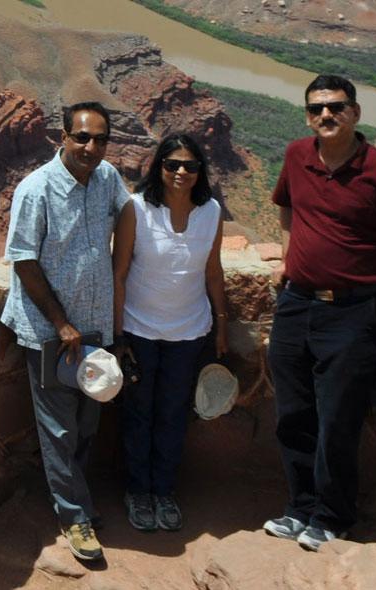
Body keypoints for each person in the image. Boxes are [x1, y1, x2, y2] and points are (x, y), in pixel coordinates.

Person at [263, 75, 376, 551]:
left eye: (335, 107)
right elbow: (287, 210)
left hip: (353, 313)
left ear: (355, 112)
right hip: (296, 304)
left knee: (337, 421)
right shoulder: (296, 156)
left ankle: (333, 516)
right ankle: (300, 507)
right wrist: (289, 260)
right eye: (316, 109)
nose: (325, 116)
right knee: (293, 414)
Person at [1, 101, 129, 562]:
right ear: (63, 136)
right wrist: (62, 322)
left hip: (94, 328)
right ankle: (74, 515)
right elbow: (23, 260)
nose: (90, 147)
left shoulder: (108, 178)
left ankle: (77, 499)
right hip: (51, 334)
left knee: (88, 420)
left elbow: (126, 211)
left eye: (99, 139)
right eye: (82, 137)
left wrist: (119, 279)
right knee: (58, 429)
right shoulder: (36, 190)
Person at [112, 133, 228, 532]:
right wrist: (118, 335)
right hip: (139, 329)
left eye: (190, 166)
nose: (181, 172)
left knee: (174, 414)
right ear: (158, 166)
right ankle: (137, 491)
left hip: (189, 332)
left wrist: (222, 324)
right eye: (172, 164)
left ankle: (163, 490)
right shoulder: (136, 209)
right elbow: (120, 272)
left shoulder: (211, 211)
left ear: (200, 172)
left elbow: (213, 271)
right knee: (139, 413)